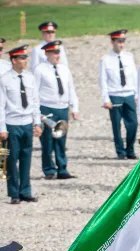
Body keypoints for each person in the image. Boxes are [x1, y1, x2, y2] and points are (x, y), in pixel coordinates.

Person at [0, 45, 42, 204]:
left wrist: (37, 123)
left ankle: (25, 191)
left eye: (26, 57)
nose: (26, 60)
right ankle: (14, 193)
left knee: (26, 158)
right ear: (14, 60)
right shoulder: (4, 80)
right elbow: (1, 106)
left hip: (26, 123)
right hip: (12, 124)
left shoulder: (30, 77)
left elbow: (35, 102)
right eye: (22, 58)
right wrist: (2, 128)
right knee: (11, 160)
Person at [34, 40, 78, 180]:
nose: (57, 55)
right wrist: (36, 113)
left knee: (61, 139)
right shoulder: (40, 70)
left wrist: (74, 107)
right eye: (54, 52)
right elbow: (34, 92)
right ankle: (49, 170)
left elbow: (71, 89)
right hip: (47, 107)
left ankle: (62, 169)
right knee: (47, 141)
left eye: (58, 52)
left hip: (62, 108)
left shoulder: (64, 69)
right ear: (47, 53)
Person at [99, 29, 138, 160]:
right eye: (119, 41)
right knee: (116, 125)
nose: (121, 44)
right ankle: (120, 151)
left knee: (133, 124)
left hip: (129, 94)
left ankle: (130, 149)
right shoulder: (105, 59)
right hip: (114, 94)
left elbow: (134, 76)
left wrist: (137, 94)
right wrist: (106, 99)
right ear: (113, 42)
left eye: (123, 41)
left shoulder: (129, 56)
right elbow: (103, 80)